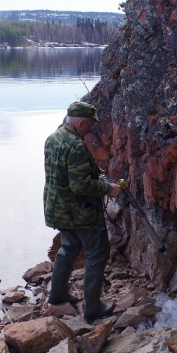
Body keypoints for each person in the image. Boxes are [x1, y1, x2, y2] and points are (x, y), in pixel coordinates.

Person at [43, 101, 122, 321]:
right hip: (80, 212)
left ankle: (57, 296)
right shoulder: (76, 146)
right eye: (90, 124)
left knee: (68, 248)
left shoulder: (53, 138)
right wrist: (108, 188)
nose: (91, 128)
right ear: (81, 122)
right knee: (97, 254)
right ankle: (93, 308)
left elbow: (64, 174)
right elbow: (80, 186)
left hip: (58, 209)